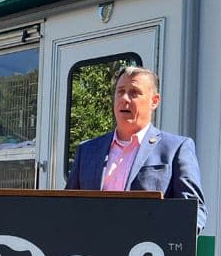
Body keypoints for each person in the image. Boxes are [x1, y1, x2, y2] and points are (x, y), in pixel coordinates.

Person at [65, 66, 207, 231]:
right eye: (120, 91)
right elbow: (66, 207)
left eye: (134, 92)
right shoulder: (87, 151)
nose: (125, 98)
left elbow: (194, 212)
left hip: (148, 245)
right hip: (91, 245)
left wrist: (170, 239)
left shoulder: (176, 148)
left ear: (154, 101)